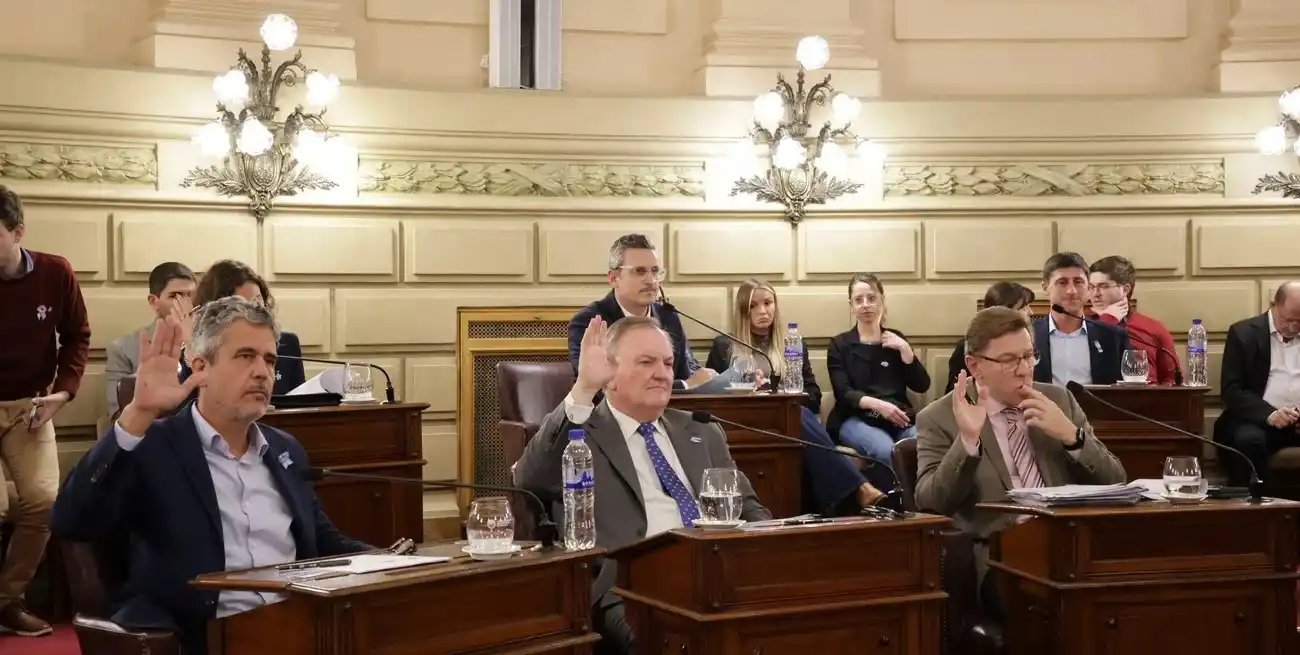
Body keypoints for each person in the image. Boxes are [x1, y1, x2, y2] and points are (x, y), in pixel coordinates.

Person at [52, 297, 369, 655]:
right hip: (201, 637)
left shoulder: (286, 450)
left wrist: (396, 563)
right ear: (200, 368)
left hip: (296, 629)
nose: (263, 372)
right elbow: (70, 521)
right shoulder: (153, 445)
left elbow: (324, 542)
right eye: (245, 356)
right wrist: (137, 414)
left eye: (269, 359)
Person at [516, 315, 771, 655]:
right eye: (646, 362)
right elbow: (528, 478)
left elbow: (750, 509)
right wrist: (583, 389)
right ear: (609, 374)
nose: (663, 373)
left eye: (667, 363)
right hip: (632, 589)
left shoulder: (702, 430)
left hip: (719, 576)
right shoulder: (580, 436)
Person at [914, 306, 1125, 614]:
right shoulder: (940, 417)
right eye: (1009, 360)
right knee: (1057, 605)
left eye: (1029, 356)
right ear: (975, 365)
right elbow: (930, 503)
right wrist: (968, 441)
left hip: (1071, 545)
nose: (1025, 369)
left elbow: (1116, 480)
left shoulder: (1059, 400)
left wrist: (1072, 437)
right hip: (1003, 558)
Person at [704, 278, 889, 510]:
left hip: (786, 421)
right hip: (744, 422)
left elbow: (812, 394)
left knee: (797, 413)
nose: (763, 311)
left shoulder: (792, 343)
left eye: (768, 303)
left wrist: (784, 395)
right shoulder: (724, 346)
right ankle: (858, 489)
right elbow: (713, 396)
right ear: (743, 310)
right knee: (799, 417)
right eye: (753, 305)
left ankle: (842, 502)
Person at [0, 183, 90, 637]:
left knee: (43, 503)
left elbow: (77, 336)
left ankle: (7, 601)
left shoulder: (55, 273)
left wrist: (64, 392)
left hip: (29, 406)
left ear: (18, 233)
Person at [568, 234, 716, 391]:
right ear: (613, 278)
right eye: (639, 271)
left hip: (668, 411)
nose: (651, 280)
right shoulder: (589, 323)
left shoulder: (668, 317)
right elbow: (601, 384)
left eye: (655, 271)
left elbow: (687, 371)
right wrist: (685, 385)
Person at [827, 273, 931, 465]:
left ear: (882, 300)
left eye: (871, 298)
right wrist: (879, 405)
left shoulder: (896, 339)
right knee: (887, 450)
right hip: (856, 419)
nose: (865, 304)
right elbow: (844, 393)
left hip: (898, 419)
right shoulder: (840, 344)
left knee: (924, 446)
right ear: (851, 306)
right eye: (858, 300)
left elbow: (922, 385)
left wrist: (907, 352)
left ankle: (920, 495)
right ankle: (895, 496)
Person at [1215, 281, 1300, 486]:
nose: (1293, 328)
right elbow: (1232, 390)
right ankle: (1256, 509)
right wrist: (1270, 415)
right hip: (1258, 422)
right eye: (1287, 320)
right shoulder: (1243, 333)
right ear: (1274, 306)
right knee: (1248, 441)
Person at [179, 260, 305, 396]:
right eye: (244, 307)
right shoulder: (197, 353)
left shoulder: (287, 344)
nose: (256, 313)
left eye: (258, 304)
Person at [105, 262, 197, 417]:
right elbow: (117, 414)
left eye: (189, 296)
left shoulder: (210, 343)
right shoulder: (123, 349)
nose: (184, 304)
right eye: (175, 296)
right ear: (154, 301)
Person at [1033, 252, 1129, 386]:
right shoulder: (1029, 335)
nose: (1071, 291)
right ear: (1045, 288)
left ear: (1088, 287)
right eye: (1062, 282)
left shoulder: (1113, 337)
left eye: (1078, 282)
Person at [1087, 255, 1178, 385]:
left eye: (1103, 286)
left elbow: (1172, 378)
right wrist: (1108, 320)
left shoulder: (1152, 328)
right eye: (1091, 287)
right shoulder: (1084, 325)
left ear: (1125, 289)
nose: (1095, 294)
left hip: (1149, 401)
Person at [946, 282, 1036, 394]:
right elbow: (954, 394)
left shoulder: (1031, 341)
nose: (1030, 312)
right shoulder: (967, 348)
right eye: (1023, 308)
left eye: (1028, 356)